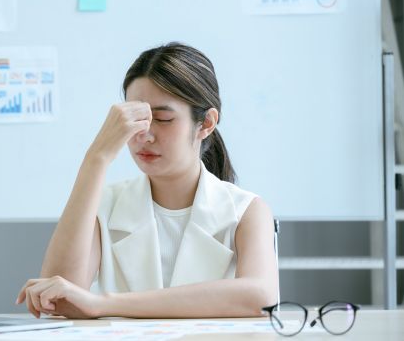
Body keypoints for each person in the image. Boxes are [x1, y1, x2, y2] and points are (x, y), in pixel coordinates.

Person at [16, 43, 279, 319]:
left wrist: (103, 304)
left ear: (206, 123)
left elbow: (260, 296)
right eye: (136, 119)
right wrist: (97, 157)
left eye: (163, 119)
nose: (145, 135)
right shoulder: (105, 204)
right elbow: (56, 298)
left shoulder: (246, 210)